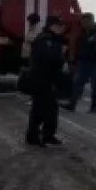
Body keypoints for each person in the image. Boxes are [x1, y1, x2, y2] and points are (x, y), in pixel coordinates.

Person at [26, 16, 67, 146]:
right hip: (42, 79)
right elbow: (48, 58)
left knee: (51, 109)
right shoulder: (45, 39)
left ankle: (48, 135)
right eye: (59, 25)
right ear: (52, 26)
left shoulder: (53, 39)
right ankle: (33, 136)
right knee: (40, 108)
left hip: (49, 79)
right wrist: (61, 58)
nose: (61, 28)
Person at [65, 13, 96, 114]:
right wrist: (74, 59)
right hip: (82, 61)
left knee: (94, 85)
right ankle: (71, 104)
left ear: (91, 21)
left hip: (94, 62)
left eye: (86, 22)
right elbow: (77, 45)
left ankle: (94, 107)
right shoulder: (82, 32)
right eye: (83, 22)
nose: (84, 24)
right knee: (77, 83)